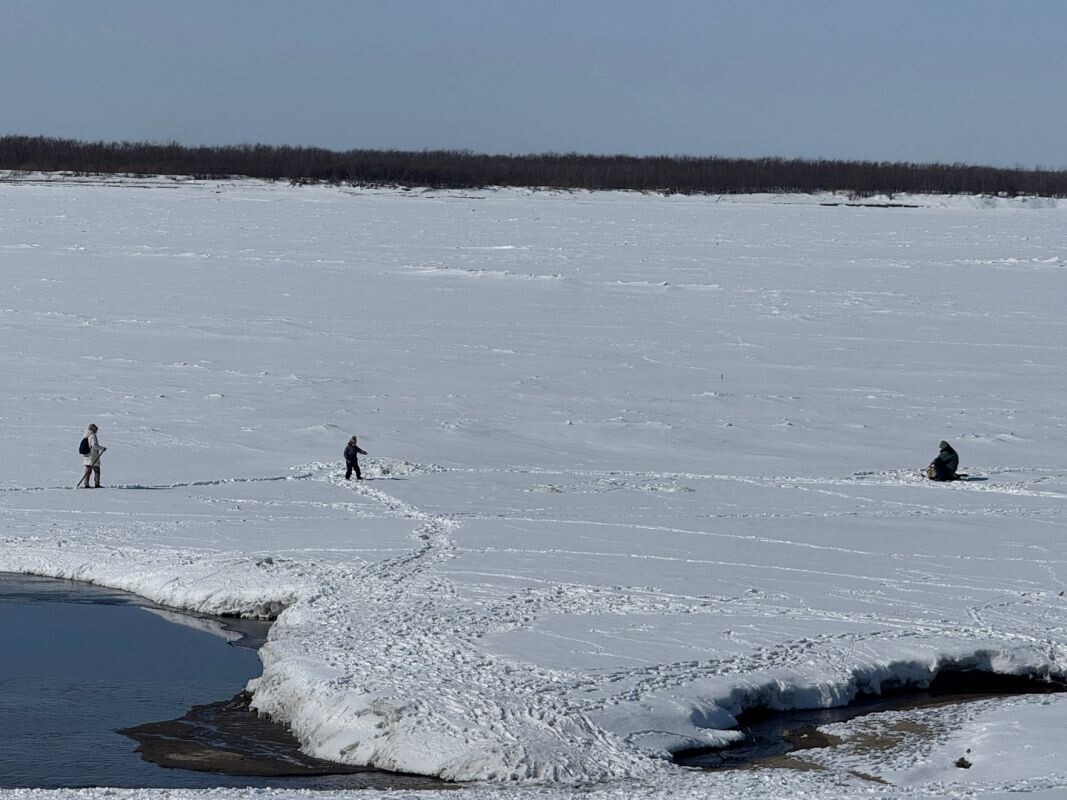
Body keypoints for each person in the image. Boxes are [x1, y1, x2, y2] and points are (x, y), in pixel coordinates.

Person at [79, 423, 107, 488]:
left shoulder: (86, 435)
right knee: (97, 470)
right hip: (93, 456)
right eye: (96, 429)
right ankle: (97, 484)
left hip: (86, 456)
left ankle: (86, 484)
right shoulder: (93, 435)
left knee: (88, 471)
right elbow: (94, 446)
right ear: (93, 429)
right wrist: (102, 448)